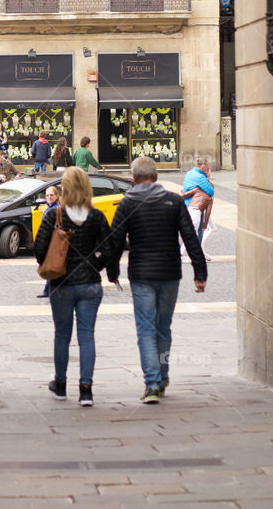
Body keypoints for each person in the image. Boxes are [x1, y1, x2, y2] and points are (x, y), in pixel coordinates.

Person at [108, 155, 207, 403]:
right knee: (163, 327)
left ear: (133, 178)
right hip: (170, 273)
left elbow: (115, 241)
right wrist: (200, 272)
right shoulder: (173, 201)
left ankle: (152, 384)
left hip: (141, 274)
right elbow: (190, 237)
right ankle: (162, 377)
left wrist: (112, 271)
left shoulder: (127, 203)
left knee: (145, 329)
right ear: (156, 177)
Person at [33, 168, 117, 407]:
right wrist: (95, 267)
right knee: (87, 336)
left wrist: (52, 266)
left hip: (61, 284)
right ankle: (86, 389)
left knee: (62, 335)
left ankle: (60, 384)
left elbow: (39, 249)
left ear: (65, 188)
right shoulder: (97, 216)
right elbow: (109, 251)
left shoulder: (54, 215)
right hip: (90, 284)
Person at [181, 156, 215, 244]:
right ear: (202, 167)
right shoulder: (200, 177)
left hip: (188, 204)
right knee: (198, 231)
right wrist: (208, 176)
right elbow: (211, 191)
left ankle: (199, 251)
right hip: (197, 206)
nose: (208, 170)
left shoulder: (189, 173)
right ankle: (196, 252)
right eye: (207, 169)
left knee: (194, 231)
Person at [37, 182, 60, 298]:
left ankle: (49, 290)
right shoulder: (48, 209)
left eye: (52, 195)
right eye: (47, 195)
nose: (49, 197)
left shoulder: (56, 210)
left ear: (56, 196)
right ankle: (47, 290)